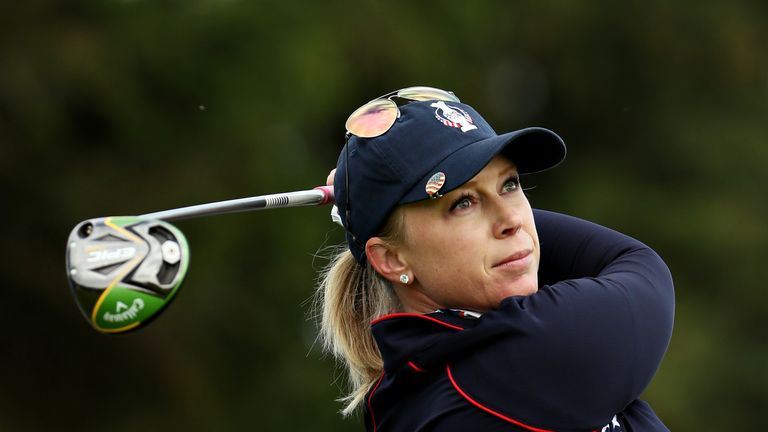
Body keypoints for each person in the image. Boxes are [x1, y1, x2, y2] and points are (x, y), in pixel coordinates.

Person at [315, 86, 674, 431]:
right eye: (463, 203)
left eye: (509, 184)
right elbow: (641, 270)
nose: (512, 220)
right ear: (391, 259)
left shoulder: (436, 374)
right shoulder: (496, 372)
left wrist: (373, 213)